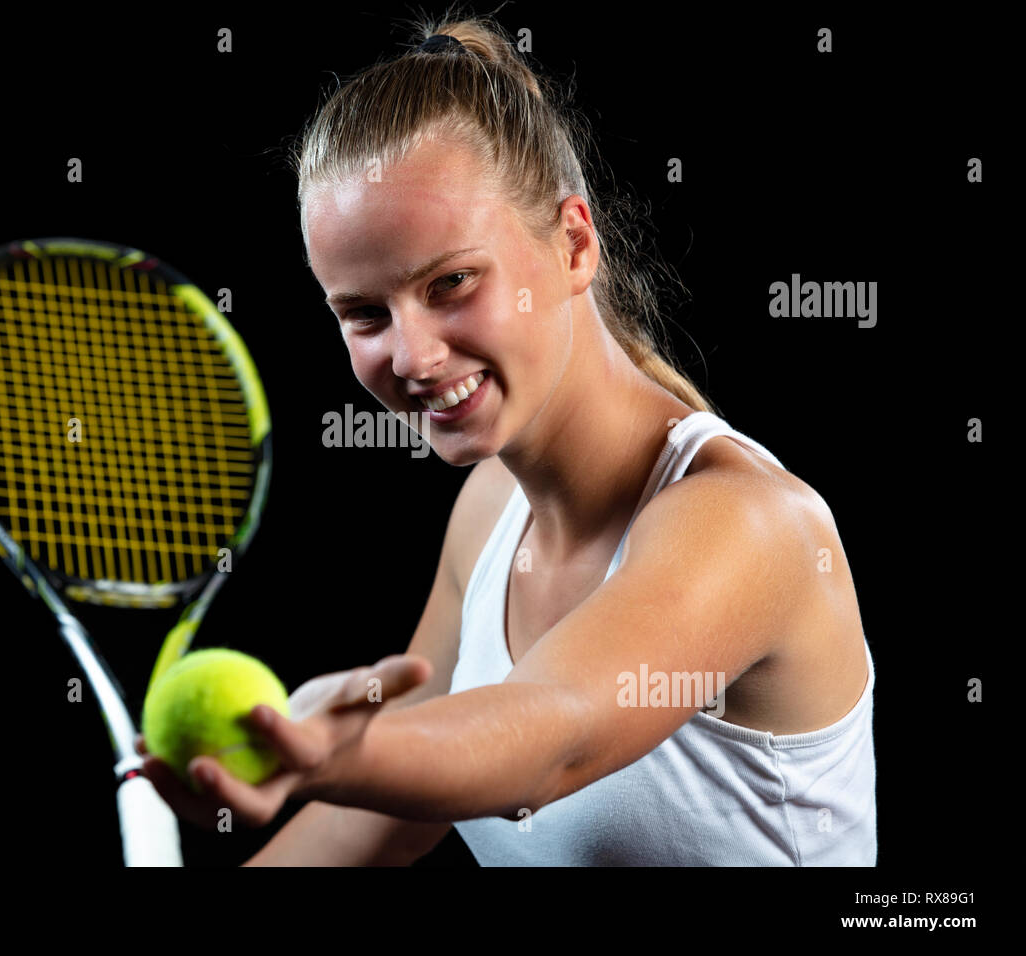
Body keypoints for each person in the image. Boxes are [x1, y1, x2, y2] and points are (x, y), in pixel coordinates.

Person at [138, 12, 877, 866]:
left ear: (573, 243)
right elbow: (382, 815)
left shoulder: (746, 524)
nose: (412, 356)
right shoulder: (490, 509)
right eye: (365, 314)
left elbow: (551, 734)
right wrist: (338, 765)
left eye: (451, 282)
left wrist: (344, 757)